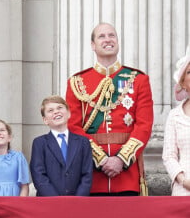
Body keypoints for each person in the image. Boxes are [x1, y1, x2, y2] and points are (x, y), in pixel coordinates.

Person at [65, 23, 154, 196]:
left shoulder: (138, 80)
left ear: (118, 41)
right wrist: (101, 159)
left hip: (127, 173)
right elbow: (73, 126)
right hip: (91, 173)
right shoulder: (77, 82)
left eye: (111, 35)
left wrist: (121, 159)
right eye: (102, 36)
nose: (108, 40)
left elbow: (144, 125)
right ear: (93, 45)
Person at [30, 95, 93, 196]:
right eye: (50, 110)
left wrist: (78, 199)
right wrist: (57, 201)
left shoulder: (83, 142)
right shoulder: (39, 143)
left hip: (78, 202)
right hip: (49, 203)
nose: (56, 112)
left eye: (60, 108)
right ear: (45, 120)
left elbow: (87, 174)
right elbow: (39, 175)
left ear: (68, 113)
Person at [163, 45, 190, 196]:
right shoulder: (174, 115)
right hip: (183, 191)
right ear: (182, 82)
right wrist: (184, 181)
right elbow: (169, 156)